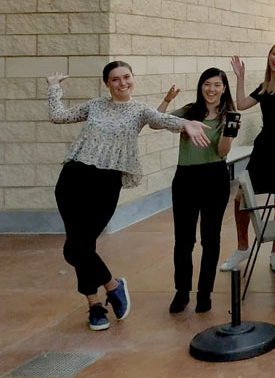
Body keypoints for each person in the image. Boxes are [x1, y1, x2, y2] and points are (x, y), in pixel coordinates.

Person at [46, 61, 211, 331]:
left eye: (126, 77)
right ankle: (97, 304)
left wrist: (185, 125)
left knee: (77, 248)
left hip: (106, 184)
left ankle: (112, 287)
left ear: (133, 79)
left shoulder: (139, 110)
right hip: (73, 179)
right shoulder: (95, 105)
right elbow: (58, 116)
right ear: (107, 83)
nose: (122, 83)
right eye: (115, 79)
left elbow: (162, 119)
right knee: (79, 245)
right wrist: (53, 89)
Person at [158, 68, 239, 313]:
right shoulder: (189, 111)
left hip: (214, 176)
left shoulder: (230, 115)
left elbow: (223, 151)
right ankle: (182, 292)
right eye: (207, 84)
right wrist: (167, 100)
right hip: (185, 178)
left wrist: (228, 132)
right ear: (201, 86)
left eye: (217, 85)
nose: (211, 89)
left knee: (210, 239)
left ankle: (205, 294)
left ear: (224, 88)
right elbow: (155, 122)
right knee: (183, 240)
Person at [220, 43, 275, 273]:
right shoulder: (266, 85)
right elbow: (242, 104)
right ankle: (242, 247)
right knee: (241, 196)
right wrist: (240, 77)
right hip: (263, 148)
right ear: (269, 57)